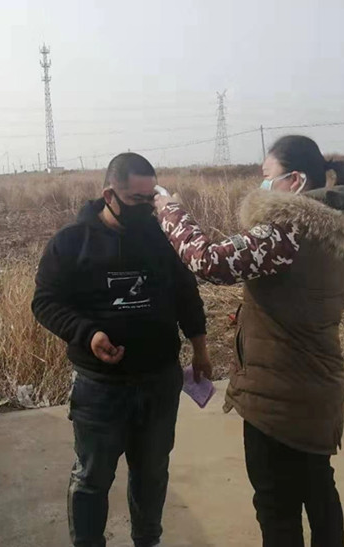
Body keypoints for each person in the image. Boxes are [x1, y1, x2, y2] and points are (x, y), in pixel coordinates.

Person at [154, 135, 344, 547]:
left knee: (277, 505)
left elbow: (209, 261)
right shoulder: (332, 229)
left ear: (296, 181)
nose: (262, 183)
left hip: (280, 398)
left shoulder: (289, 233)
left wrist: (171, 212)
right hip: (317, 387)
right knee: (318, 491)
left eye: (268, 174)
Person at [32, 152, 211, 547]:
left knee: (152, 473)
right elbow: (45, 303)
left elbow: (186, 295)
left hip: (159, 381)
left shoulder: (163, 238)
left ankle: (148, 540)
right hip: (100, 387)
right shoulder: (71, 243)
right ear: (109, 195)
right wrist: (88, 334)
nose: (147, 208)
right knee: (91, 477)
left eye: (152, 198)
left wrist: (199, 346)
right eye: (136, 200)